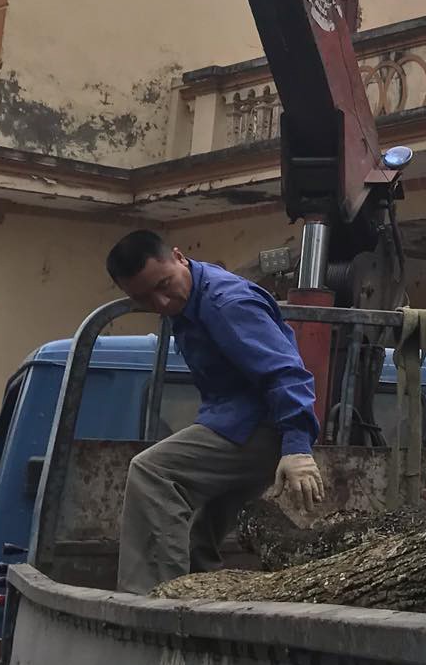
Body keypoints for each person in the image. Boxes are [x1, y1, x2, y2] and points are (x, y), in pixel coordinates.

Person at [106, 230, 325, 594]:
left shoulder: (227, 303)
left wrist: (298, 449)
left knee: (153, 473)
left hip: (260, 428)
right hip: (235, 421)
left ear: (178, 257)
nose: (160, 302)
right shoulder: (190, 296)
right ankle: (203, 589)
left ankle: (154, 601)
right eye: (143, 298)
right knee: (196, 525)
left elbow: (286, 371)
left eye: (163, 285)